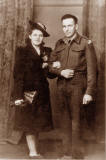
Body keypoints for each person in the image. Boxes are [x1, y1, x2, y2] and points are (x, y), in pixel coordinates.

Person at [49, 14, 97, 159]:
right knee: (64, 120)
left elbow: (92, 70)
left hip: (78, 85)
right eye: (64, 26)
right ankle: (66, 153)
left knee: (76, 121)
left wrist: (89, 92)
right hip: (62, 86)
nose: (67, 29)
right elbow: (50, 66)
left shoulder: (85, 43)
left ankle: (76, 155)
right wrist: (60, 71)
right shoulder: (59, 44)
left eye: (70, 25)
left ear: (76, 26)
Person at [13, 21, 55, 158]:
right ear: (30, 36)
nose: (38, 37)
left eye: (40, 35)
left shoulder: (47, 51)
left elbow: (51, 75)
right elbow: (18, 75)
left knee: (37, 123)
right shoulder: (22, 51)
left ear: (43, 38)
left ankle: (35, 150)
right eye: (35, 35)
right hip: (27, 92)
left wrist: (52, 66)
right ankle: (33, 153)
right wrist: (18, 96)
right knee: (29, 123)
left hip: (42, 92)